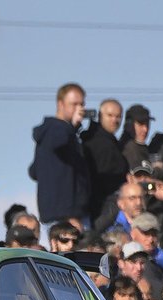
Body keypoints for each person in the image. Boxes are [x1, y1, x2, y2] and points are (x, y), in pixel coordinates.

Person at [29, 82, 89, 226]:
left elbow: (34, 171)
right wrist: (72, 127)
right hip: (63, 216)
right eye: (74, 104)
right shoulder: (56, 130)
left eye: (81, 104)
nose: (79, 109)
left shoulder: (64, 133)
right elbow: (58, 141)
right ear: (61, 104)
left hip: (70, 213)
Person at [81, 98, 128, 222]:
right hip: (101, 209)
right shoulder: (98, 143)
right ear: (100, 115)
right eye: (110, 115)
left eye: (118, 116)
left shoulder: (112, 143)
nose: (115, 120)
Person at [118, 104, 153, 173]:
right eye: (141, 124)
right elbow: (141, 179)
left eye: (147, 124)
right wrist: (158, 170)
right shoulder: (129, 149)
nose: (145, 129)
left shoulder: (141, 148)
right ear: (129, 125)